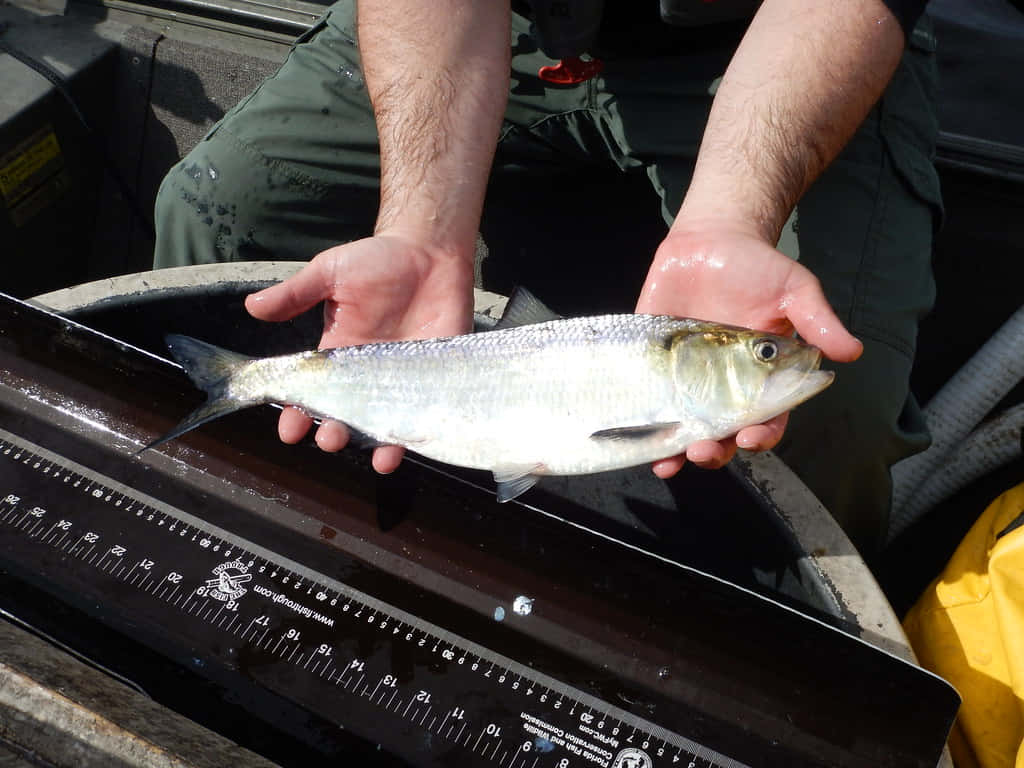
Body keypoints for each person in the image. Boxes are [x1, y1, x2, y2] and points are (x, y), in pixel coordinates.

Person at [153, 0, 940, 555]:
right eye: (761, 356)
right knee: (212, 203)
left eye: (759, 356)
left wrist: (732, 218)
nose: (775, 358)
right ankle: (220, 499)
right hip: (484, 25)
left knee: (851, 411)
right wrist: (419, 225)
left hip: (775, 47)